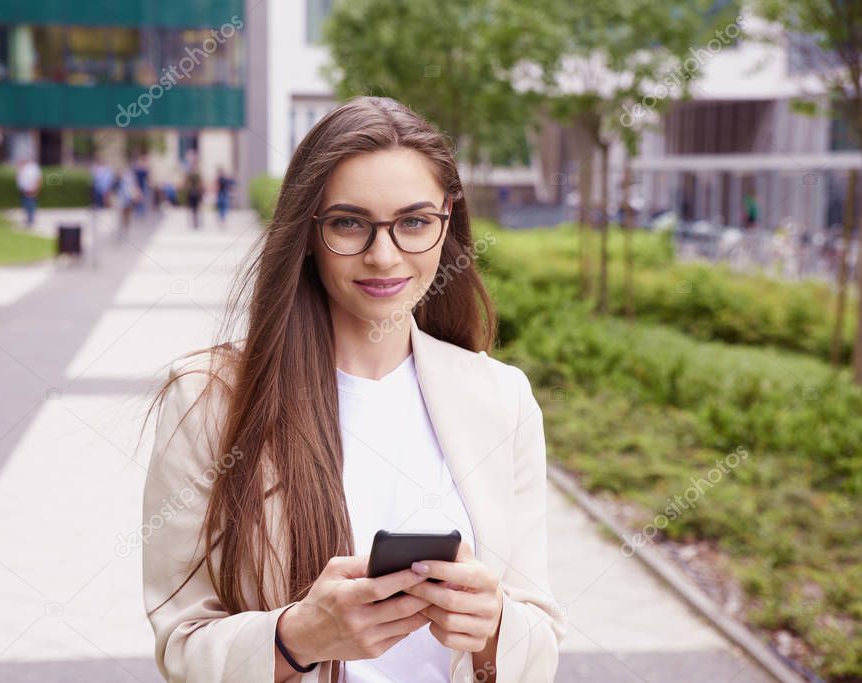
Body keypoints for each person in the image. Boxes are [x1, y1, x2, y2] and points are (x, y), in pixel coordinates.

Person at [141, 97, 567, 683]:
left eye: (414, 222)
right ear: (309, 231)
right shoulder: (208, 400)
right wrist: (300, 637)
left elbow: (540, 640)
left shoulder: (501, 398)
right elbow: (182, 646)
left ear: (448, 220)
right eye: (349, 223)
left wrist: (493, 629)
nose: (383, 255)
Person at [15, 157, 41, 227]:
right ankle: (28, 218)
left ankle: (31, 220)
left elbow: (38, 178)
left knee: (30, 204)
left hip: (31, 189)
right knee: (25, 204)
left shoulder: (33, 168)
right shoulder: (23, 167)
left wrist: (35, 188)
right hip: (23, 189)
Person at [184, 161, 205, 229]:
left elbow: (187, 184)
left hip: (192, 193)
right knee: (196, 208)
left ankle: (194, 221)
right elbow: (200, 184)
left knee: (193, 209)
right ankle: (196, 222)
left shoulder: (190, 175)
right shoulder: (196, 175)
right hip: (195, 193)